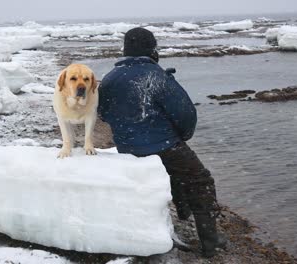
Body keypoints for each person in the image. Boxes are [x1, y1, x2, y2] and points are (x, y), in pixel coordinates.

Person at [97, 27, 226, 257]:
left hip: (128, 149)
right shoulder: (156, 76)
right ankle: (211, 241)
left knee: (173, 174)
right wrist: (179, 138)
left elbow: (103, 114)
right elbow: (186, 116)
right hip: (165, 145)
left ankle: (183, 210)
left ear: (126, 50)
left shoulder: (109, 79)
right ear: (152, 50)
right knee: (200, 180)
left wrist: (129, 134)